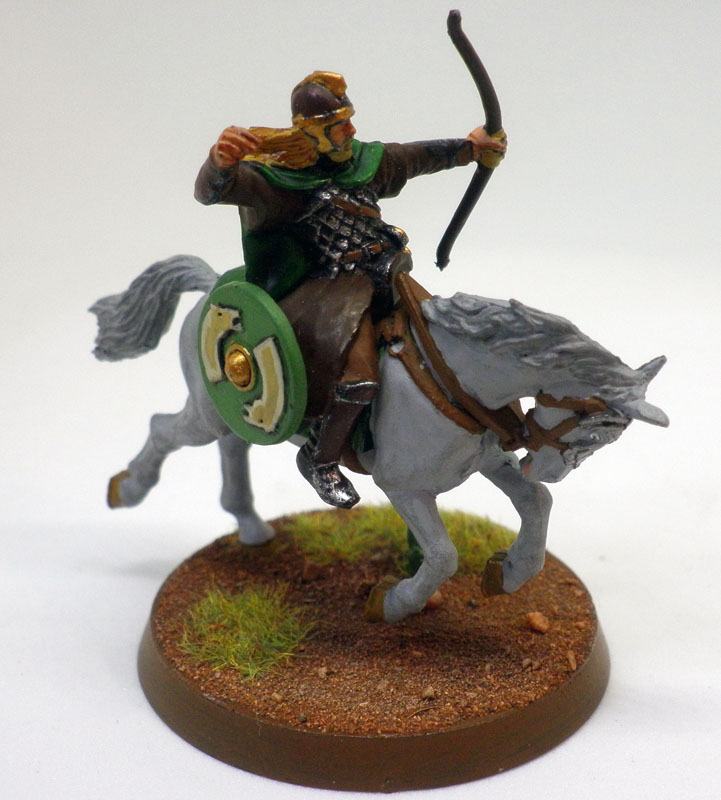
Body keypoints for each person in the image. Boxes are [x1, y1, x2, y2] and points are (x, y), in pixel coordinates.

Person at [195, 71, 506, 509]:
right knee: (359, 380)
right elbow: (212, 192)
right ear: (311, 132)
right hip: (331, 291)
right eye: (338, 125)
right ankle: (320, 458)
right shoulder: (275, 180)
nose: (350, 131)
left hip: (390, 274)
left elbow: (412, 157)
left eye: (348, 119)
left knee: (450, 344)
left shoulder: (362, 162)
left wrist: (470, 148)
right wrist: (220, 163)